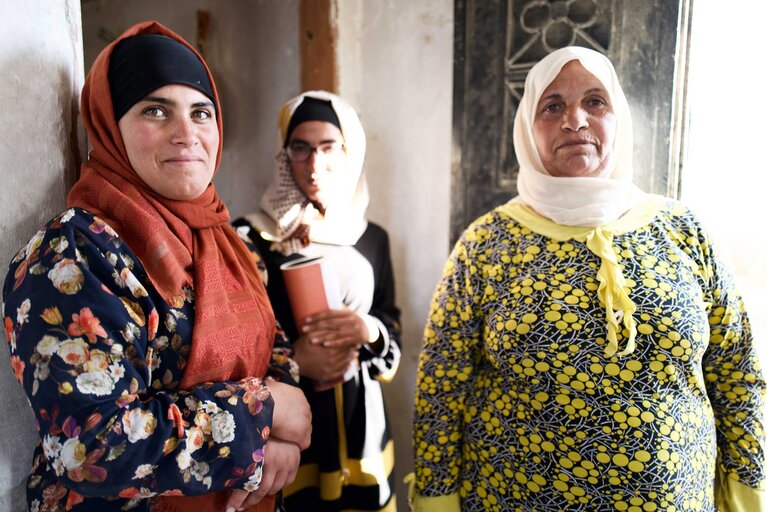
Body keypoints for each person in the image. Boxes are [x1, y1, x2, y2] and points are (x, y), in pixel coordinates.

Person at [411, 46, 766, 511]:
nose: (574, 120)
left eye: (595, 102)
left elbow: (737, 371)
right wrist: (437, 503)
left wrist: (749, 495)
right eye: (552, 105)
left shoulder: (684, 231)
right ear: (527, 128)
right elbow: (440, 389)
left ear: (618, 117)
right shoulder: (484, 244)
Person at [2, 21, 311, 512]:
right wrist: (262, 417)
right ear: (110, 127)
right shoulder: (76, 254)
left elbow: (272, 351)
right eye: (155, 110)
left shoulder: (229, 242)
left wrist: (280, 430)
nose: (186, 134)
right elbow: (91, 446)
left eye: (201, 112)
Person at [233, 91, 401, 511]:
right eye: (300, 148)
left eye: (328, 148)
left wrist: (369, 330)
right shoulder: (251, 237)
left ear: (350, 152)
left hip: (361, 423)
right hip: (289, 429)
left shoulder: (371, 237)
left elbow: (390, 322)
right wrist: (296, 360)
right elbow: (231, 343)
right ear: (284, 156)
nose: (313, 164)